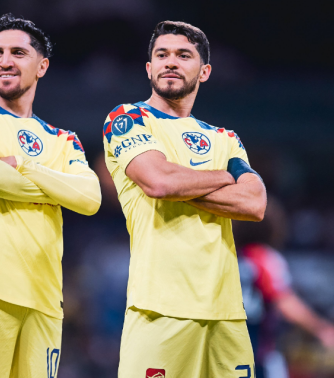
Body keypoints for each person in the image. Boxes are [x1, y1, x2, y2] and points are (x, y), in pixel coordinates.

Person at [0, 13, 101, 378]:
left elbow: (90, 198)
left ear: (42, 66)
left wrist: (24, 166)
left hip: (44, 300)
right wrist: (56, 191)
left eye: (17, 52)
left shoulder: (64, 139)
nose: (5, 61)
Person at [103, 21, 267, 378]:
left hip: (228, 313)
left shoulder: (224, 137)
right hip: (159, 307)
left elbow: (254, 204)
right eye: (161, 55)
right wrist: (226, 177)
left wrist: (183, 184)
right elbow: (159, 182)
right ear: (149, 68)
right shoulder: (129, 119)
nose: (170, 62)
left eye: (183, 55)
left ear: (204, 71)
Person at [235, 197, 334, 378]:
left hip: (225, 354)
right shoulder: (264, 258)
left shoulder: (226, 256)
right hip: (258, 356)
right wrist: (321, 328)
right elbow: (284, 301)